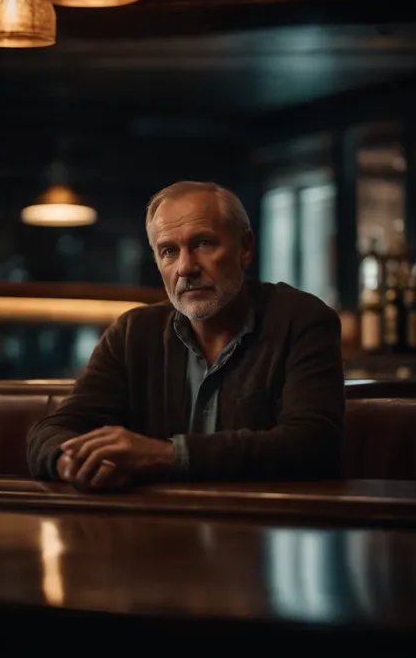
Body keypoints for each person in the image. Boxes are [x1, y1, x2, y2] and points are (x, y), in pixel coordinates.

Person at [27, 181, 345, 489]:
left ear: (245, 249)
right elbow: (52, 430)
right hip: (158, 528)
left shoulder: (302, 320)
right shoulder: (133, 333)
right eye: (168, 251)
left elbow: (313, 444)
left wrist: (167, 455)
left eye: (203, 244)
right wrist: (71, 463)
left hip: (266, 529)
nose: (185, 267)